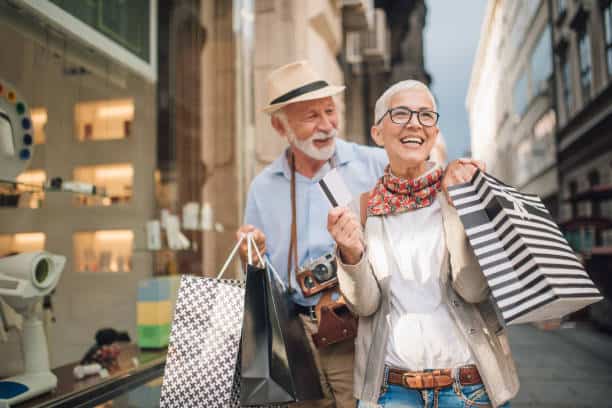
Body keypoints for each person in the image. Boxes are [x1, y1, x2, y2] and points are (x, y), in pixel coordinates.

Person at [327, 80, 520, 408]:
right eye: (401, 113)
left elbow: (474, 291)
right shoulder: (364, 208)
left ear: (434, 132)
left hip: (468, 389)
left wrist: (463, 215)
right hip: (391, 391)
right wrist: (352, 254)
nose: (415, 123)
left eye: (426, 115)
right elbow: (365, 306)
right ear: (377, 133)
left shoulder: (461, 192)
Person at [236, 60, 388, 407]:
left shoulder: (374, 165)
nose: (326, 126)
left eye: (330, 111)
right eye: (311, 117)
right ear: (280, 126)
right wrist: (251, 256)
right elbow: (260, 277)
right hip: (294, 337)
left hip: (358, 330)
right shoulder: (263, 188)